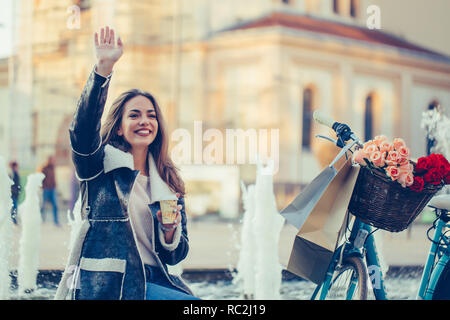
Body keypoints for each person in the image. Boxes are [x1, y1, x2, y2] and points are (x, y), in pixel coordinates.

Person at [55, 26, 198, 300]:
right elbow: (82, 131)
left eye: (151, 115)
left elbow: (176, 255)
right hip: (111, 282)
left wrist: (169, 233)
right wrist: (103, 70)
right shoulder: (99, 168)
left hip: (154, 278)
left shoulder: (169, 181)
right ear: (119, 127)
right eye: (134, 115)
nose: (145, 121)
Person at [40, 155, 60, 226]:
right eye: (52, 160)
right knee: (43, 205)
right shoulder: (44, 168)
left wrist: (55, 185)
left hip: (52, 189)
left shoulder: (53, 168)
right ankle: (41, 220)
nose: (53, 161)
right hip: (46, 189)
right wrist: (43, 187)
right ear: (48, 160)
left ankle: (56, 221)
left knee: (55, 205)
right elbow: (41, 179)